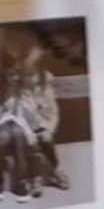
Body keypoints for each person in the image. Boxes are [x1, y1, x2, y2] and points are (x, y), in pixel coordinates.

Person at [0, 49, 36, 202]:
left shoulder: (22, 86)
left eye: (16, 71)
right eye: (10, 72)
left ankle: (20, 184)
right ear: (4, 71)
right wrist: (7, 116)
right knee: (5, 135)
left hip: (21, 127)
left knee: (17, 133)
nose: (14, 75)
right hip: (1, 128)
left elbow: (29, 115)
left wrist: (20, 111)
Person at [22, 41, 71, 196]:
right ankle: (35, 177)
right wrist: (32, 128)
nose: (32, 77)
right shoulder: (22, 89)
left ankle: (56, 170)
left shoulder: (46, 88)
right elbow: (23, 111)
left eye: (34, 72)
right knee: (33, 140)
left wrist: (48, 127)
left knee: (45, 138)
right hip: (27, 125)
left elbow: (54, 112)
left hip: (44, 125)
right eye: (29, 71)